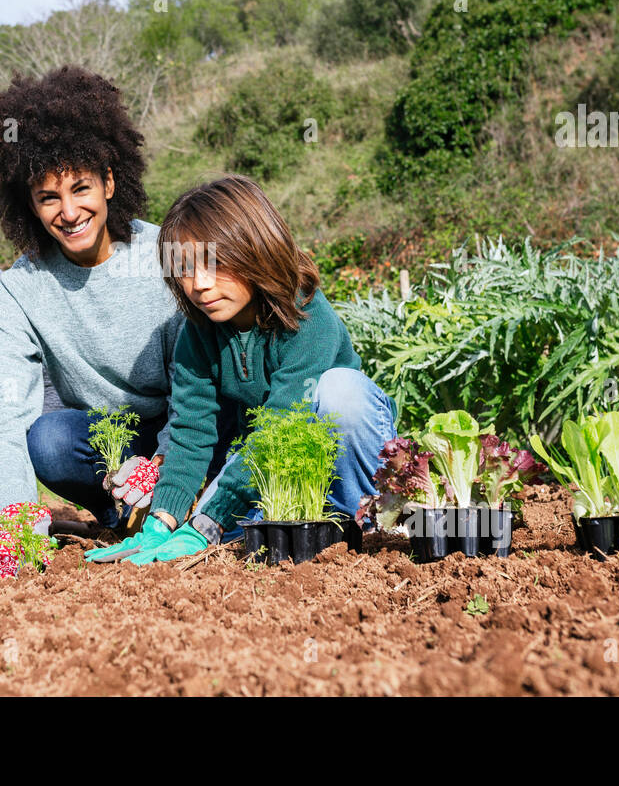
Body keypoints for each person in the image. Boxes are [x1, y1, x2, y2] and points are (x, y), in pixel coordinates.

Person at [0, 65, 206, 577]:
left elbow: (197, 389)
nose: (69, 210)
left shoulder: (164, 255)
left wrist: (161, 466)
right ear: (30, 207)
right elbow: (9, 416)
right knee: (50, 439)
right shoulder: (23, 286)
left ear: (108, 181)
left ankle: (172, 499)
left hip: (188, 429)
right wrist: (14, 512)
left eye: (81, 188)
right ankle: (115, 511)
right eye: (48, 197)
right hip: (104, 438)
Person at [86, 174, 397, 565]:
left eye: (214, 263)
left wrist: (207, 521)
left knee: (340, 391)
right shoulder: (197, 334)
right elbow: (190, 432)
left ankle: (369, 527)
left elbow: (283, 423)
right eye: (184, 269)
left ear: (257, 250)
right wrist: (162, 521)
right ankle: (303, 526)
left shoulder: (307, 317)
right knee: (224, 536)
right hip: (280, 475)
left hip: (342, 463)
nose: (198, 285)